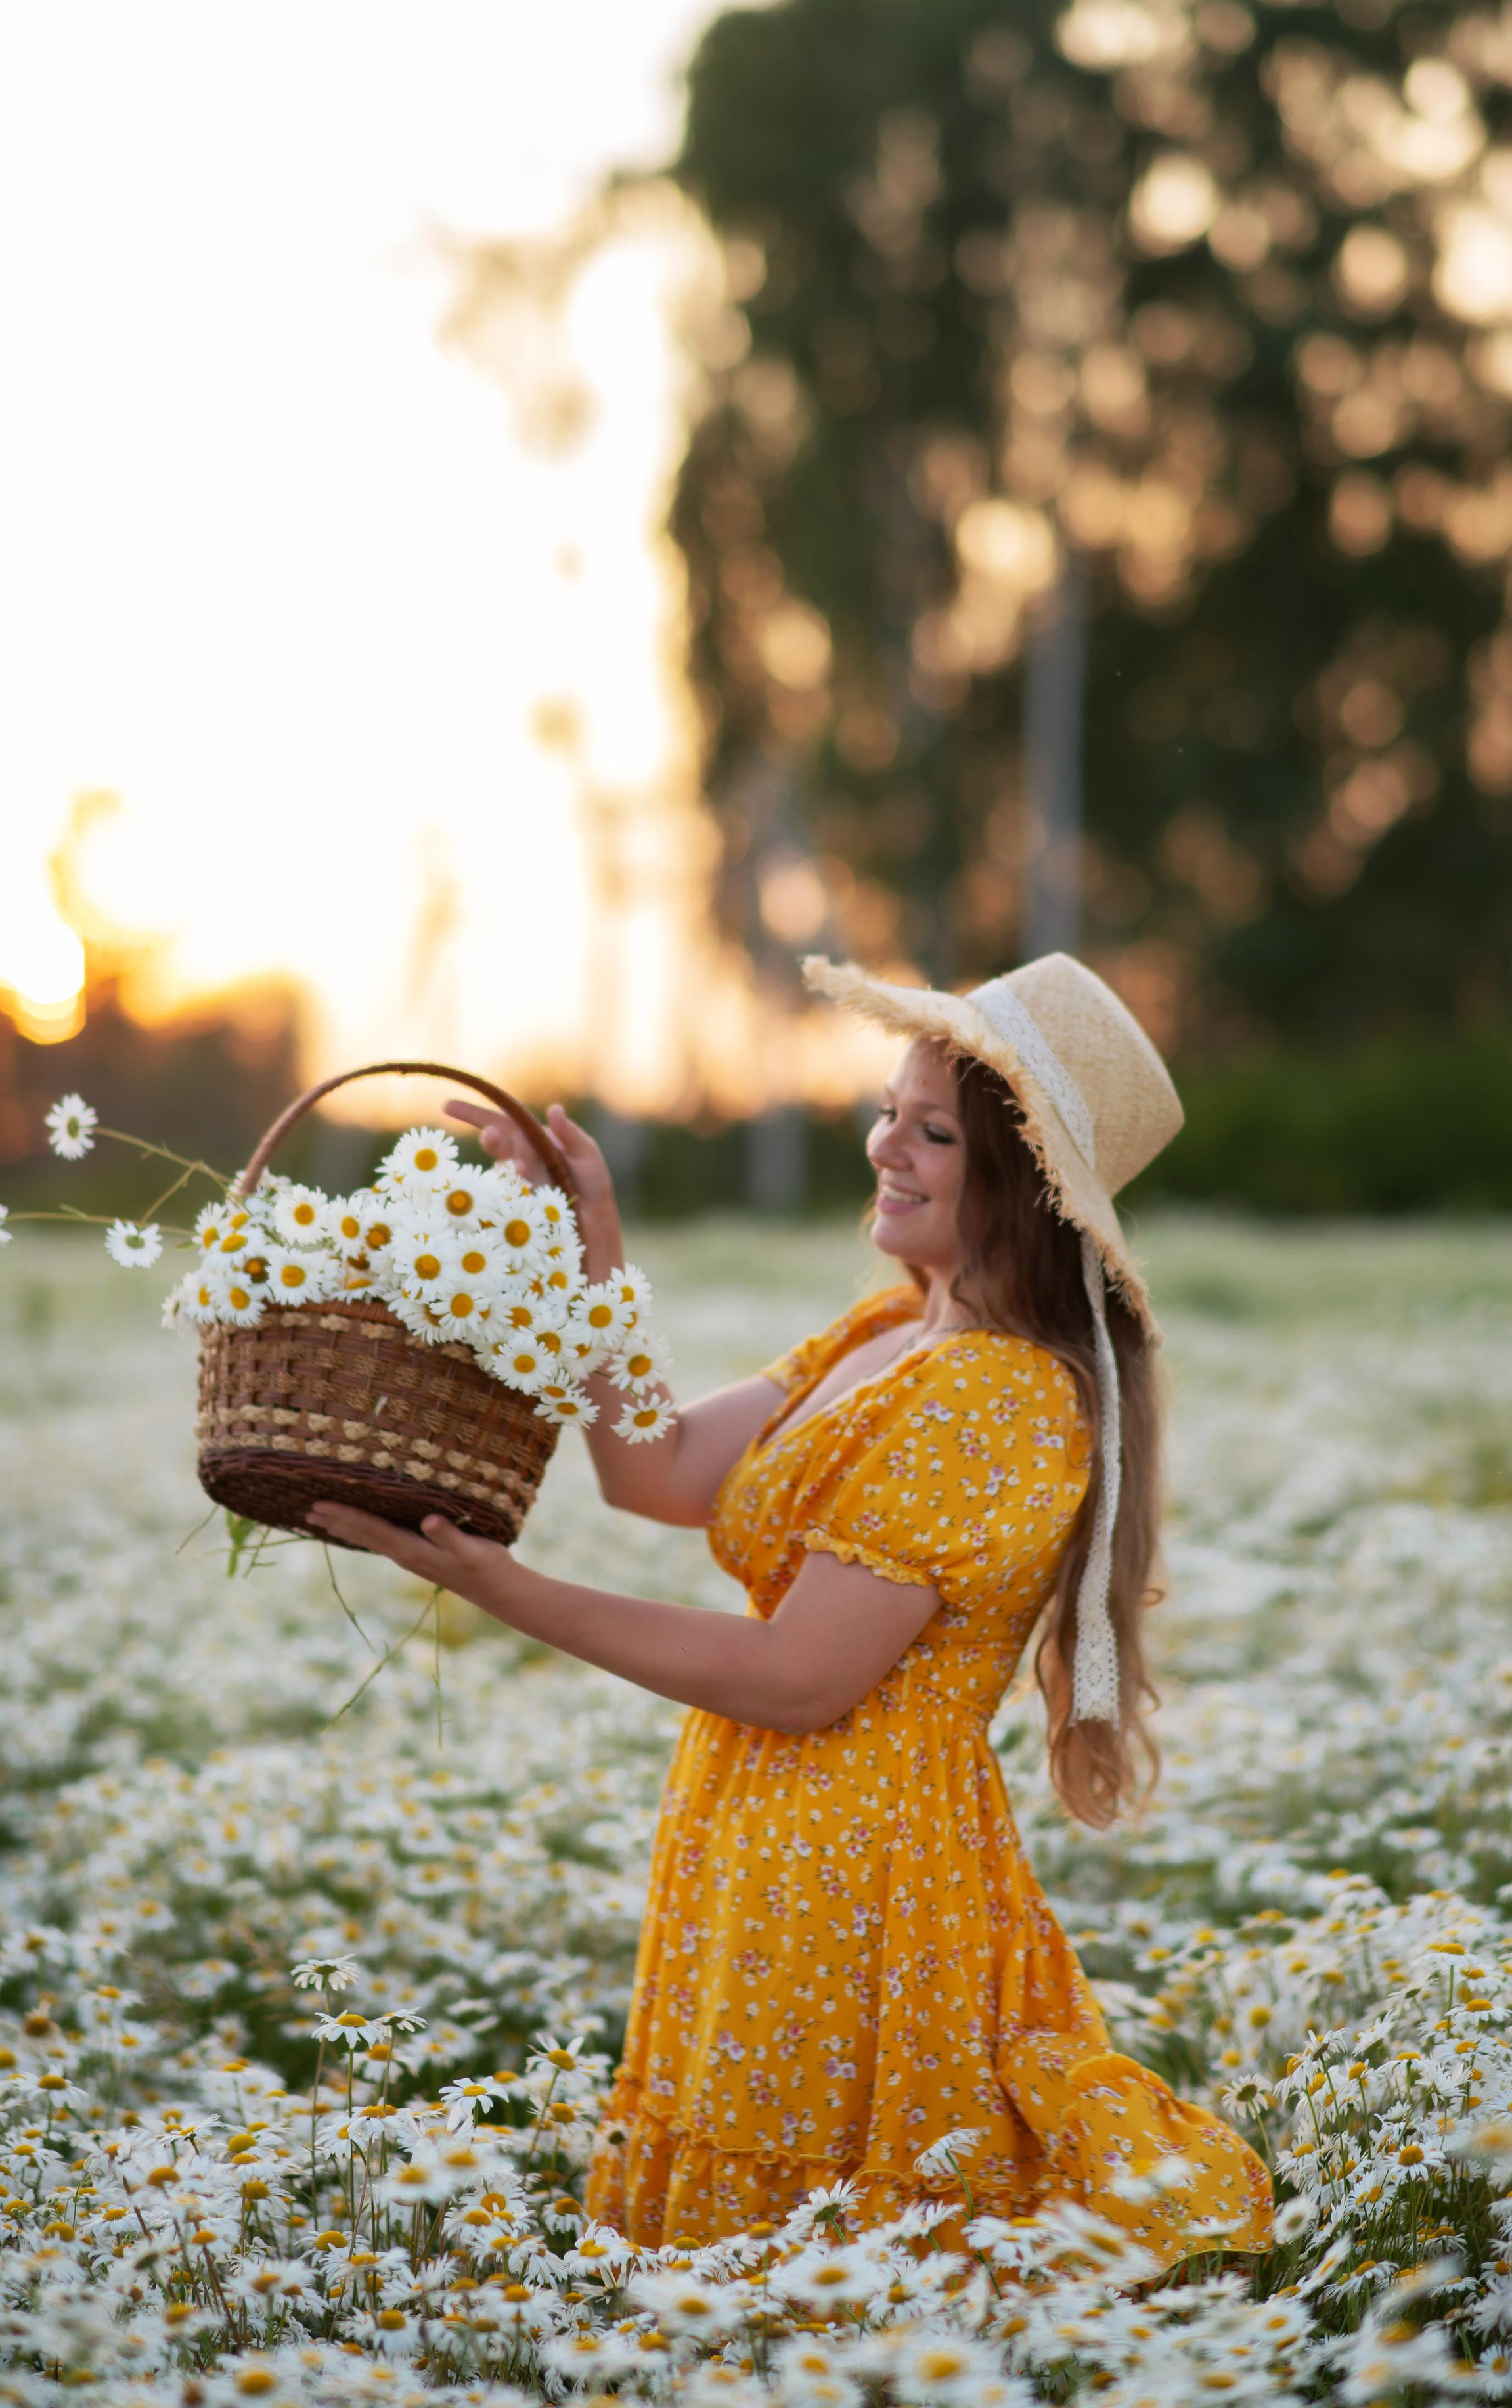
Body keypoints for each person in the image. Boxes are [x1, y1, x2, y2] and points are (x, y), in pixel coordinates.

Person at [307, 953, 1273, 2270]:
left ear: (1029, 1185)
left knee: (826, 2267)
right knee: (746, 2272)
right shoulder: (885, 1327)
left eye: (932, 1131)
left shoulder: (999, 1397)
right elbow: (647, 1468)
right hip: (751, 1840)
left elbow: (798, 1678)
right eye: (889, 1110)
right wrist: (584, 1237)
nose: (885, 1145)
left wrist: (500, 1586)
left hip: (865, 1875)